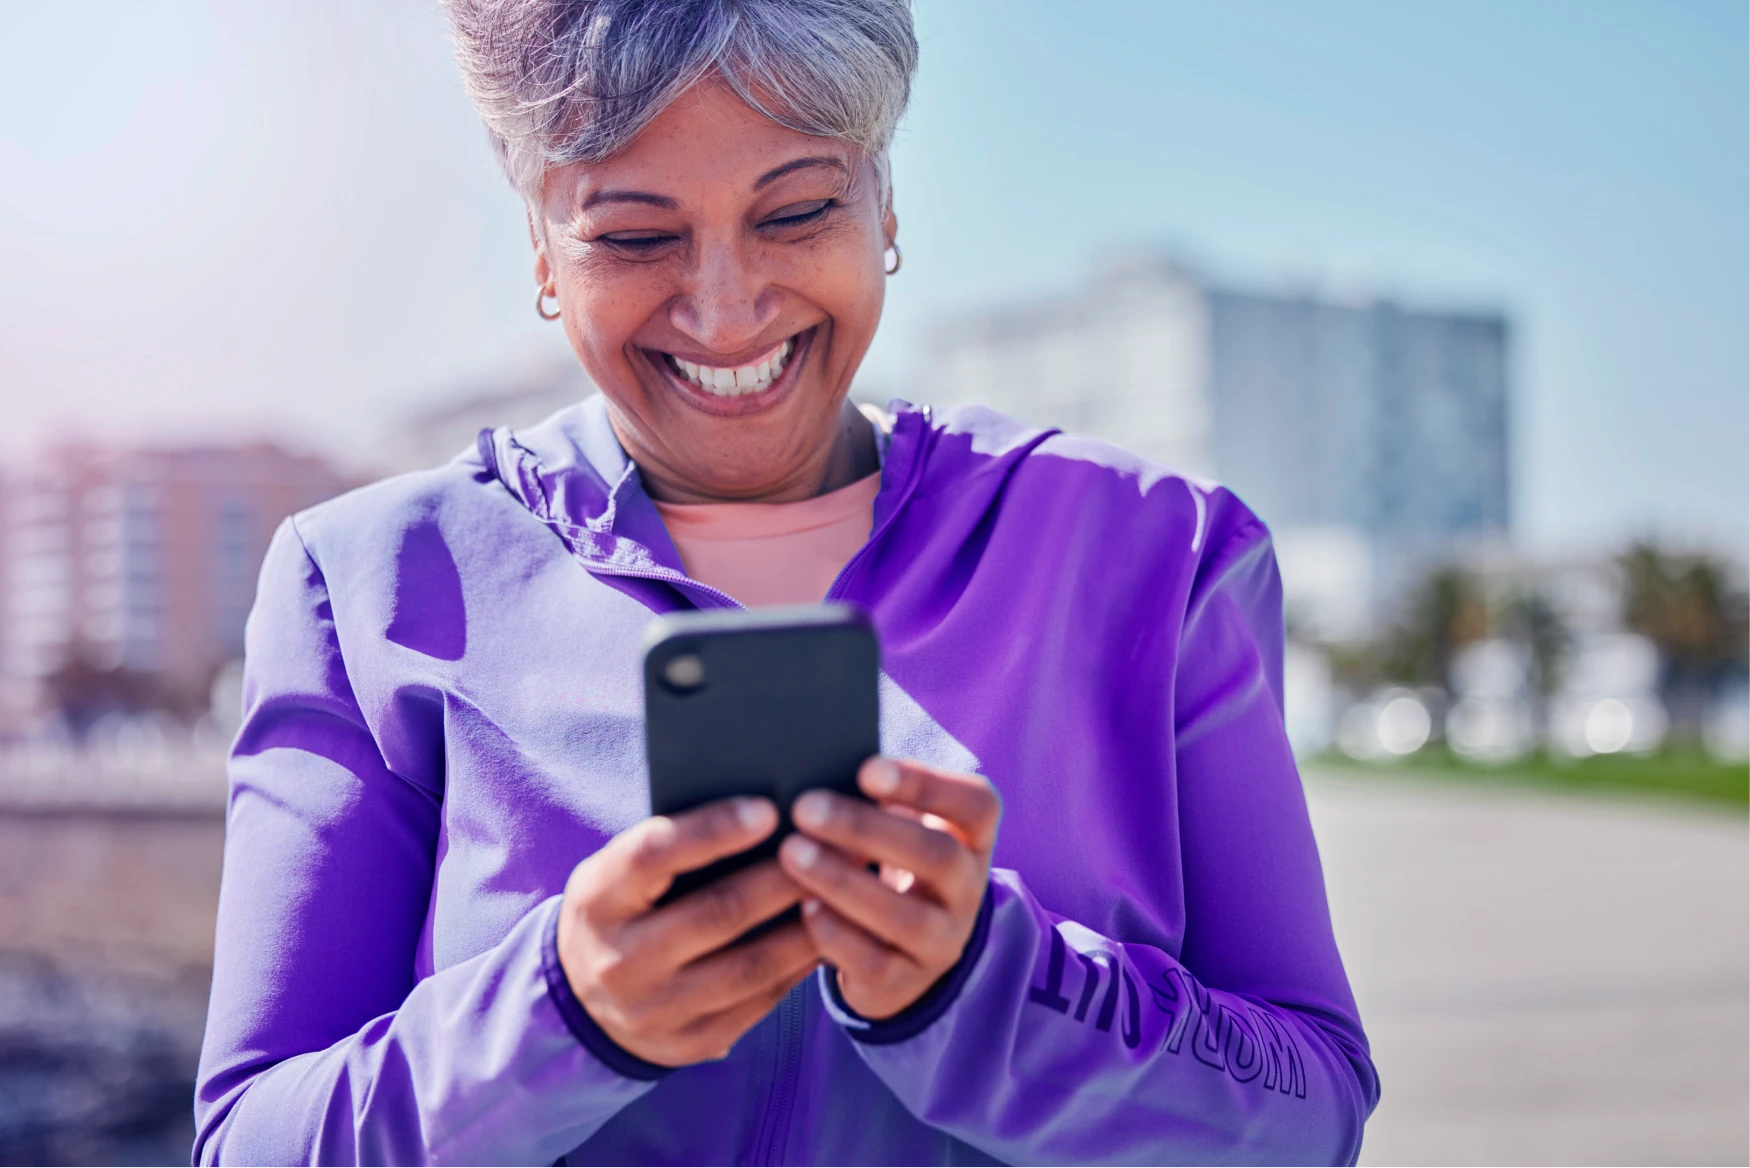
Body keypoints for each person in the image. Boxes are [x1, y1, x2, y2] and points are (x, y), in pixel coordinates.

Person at [192, 1, 1379, 1163]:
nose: (724, 309)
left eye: (798, 209)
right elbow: (250, 1145)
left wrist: (987, 993)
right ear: (542, 245)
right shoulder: (365, 588)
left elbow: (1309, 1113)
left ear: (885, 204)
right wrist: (560, 1016)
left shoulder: (1153, 556)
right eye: (635, 235)